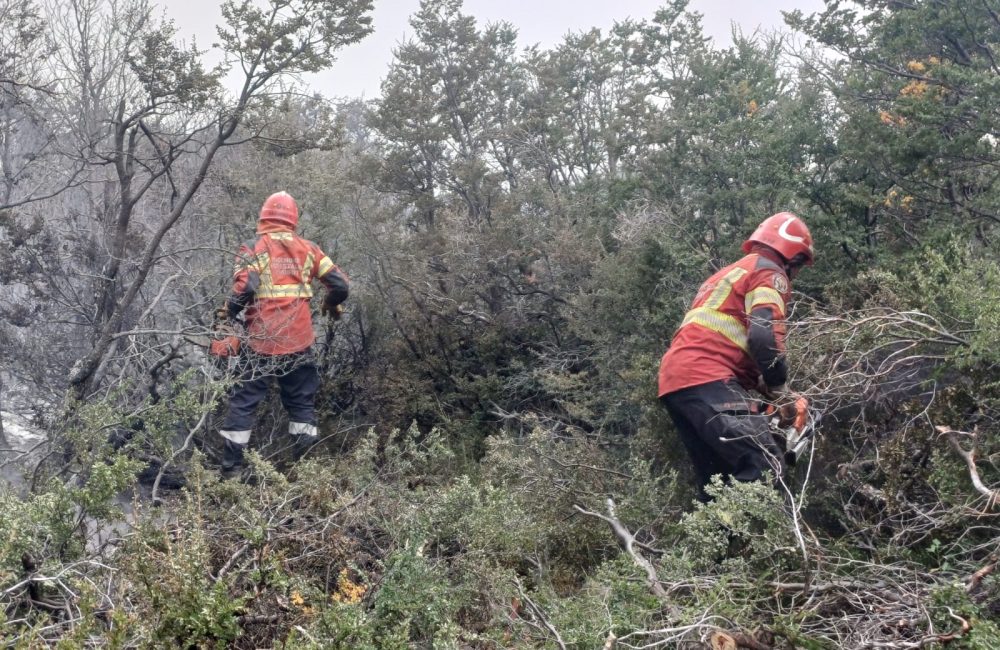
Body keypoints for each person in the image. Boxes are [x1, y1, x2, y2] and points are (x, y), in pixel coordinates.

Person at [657, 212, 813, 500]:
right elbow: (763, 337)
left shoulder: (730, 273)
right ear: (794, 257)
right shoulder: (769, 273)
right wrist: (780, 389)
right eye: (801, 265)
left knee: (717, 483)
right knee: (766, 464)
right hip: (707, 376)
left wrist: (777, 394)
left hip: (679, 381)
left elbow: (728, 344)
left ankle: (708, 531)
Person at [216, 191, 349, 474]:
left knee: (243, 402)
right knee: (301, 405)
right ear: (293, 220)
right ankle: (304, 473)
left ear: (264, 217)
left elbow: (247, 286)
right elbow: (340, 285)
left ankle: (231, 471)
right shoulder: (309, 249)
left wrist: (229, 310)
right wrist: (330, 303)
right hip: (299, 341)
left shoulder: (253, 247)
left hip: (260, 342)